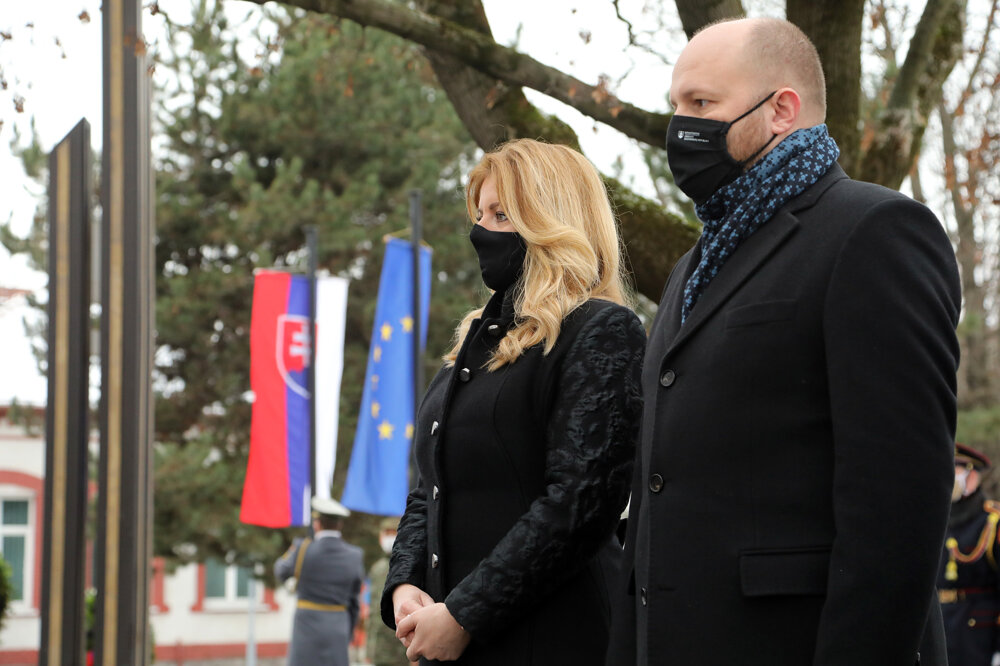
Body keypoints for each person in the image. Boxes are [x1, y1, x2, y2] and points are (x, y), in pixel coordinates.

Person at [609, 17, 961, 666]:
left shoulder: (875, 232)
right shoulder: (694, 265)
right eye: (675, 106)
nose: (680, 127)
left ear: (781, 110)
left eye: (702, 104)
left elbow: (898, 503)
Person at [380, 138, 646, 665]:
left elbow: (581, 502)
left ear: (550, 219)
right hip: (451, 637)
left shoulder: (600, 331)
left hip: (554, 638)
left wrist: (464, 614)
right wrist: (404, 582)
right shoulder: (474, 341)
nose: (483, 230)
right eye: (480, 213)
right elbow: (429, 489)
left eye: (502, 214)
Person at [275, 496, 365, 666]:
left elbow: (280, 570)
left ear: (316, 524)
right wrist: (348, 630)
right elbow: (354, 601)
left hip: (306, 627)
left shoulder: (302, 548)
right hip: (338, 626)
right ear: (340, 525)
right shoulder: (354, 555)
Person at [938, 443, 1000, 666]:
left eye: (955, 470)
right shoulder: (938, 518)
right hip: (942, 627)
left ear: (972, 476)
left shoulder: (992, 521)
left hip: (979, 634)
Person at [367, 517, 409, 666]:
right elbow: (372, 612)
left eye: (393, 533)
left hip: (403, 648)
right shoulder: (377, 568)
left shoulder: (409, 567)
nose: (389, 538)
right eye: (387, 533)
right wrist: (369, 648)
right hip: (379, 648)